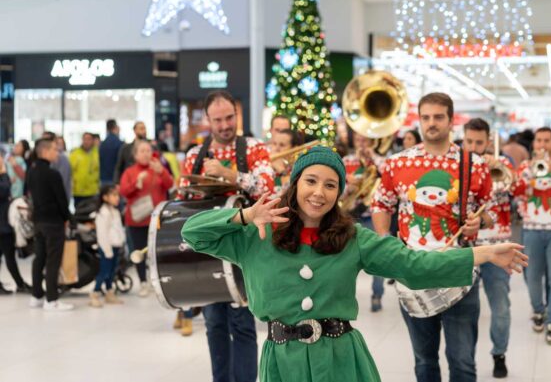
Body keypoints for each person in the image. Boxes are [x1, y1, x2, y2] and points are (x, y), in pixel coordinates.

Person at [181, 146, 527, 382]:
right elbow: (193, 233)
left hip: (342, 359)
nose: (319, 192)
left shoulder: (352, 237)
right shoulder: (255, 234)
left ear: (339, 193)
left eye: (331, 185)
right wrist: (243, 215)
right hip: (282, 363)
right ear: (295, 183)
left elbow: (415, 265)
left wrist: (484, 253)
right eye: (311, 181)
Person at [371, 93, 495, 382]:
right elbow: (381, 204)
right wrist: (385, 244)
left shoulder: (473, 164)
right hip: (413, 271)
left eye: (438, 117)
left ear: (451, 121)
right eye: (425, 117)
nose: (431, 123)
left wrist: (480, 220)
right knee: (424, 361)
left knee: (462, 362)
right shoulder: (396, 163)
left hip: (459, 269)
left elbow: (492, 210)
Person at [180, 90, 274, 382]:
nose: (224, 125)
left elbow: (267, 188)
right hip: (208, 252)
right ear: (207, 120)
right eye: (217, 120)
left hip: (243, 252)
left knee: (243, 324)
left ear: (237, 115)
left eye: (229, 118)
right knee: (214, 324)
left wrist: (227, 174)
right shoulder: (194, 155)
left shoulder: (255, 147)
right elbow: (184, 199)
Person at [512, 127, 551, 345]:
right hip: (532, 229)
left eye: (546, 141)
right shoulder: (524, 167)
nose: (542, 145)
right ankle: (539, 310)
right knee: (532, 276)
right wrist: (531, 170)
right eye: (539, 141)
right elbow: (517, 191)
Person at [463, 118, 514, 378]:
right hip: (468, 248)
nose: (473, 147)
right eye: (469, 142)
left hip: (498, 246)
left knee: (501, 306)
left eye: (479, 143)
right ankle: (465, 360)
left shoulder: (503, 164)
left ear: (488, 142)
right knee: (466, 311)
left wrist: (496, 170)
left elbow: (513, 190)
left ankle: (499, 354)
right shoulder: (458, 165)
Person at [120, 140, 173, 296]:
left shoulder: (157, 167)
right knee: (138, 251)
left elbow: (170, 185)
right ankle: (143, 282)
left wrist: (162, 171)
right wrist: (136, 183)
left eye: (148, 150)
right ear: (135, 155)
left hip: (156, 218)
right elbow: (123, 191)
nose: (146, 154)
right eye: (142, 151)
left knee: (156, 252)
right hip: (136, 220)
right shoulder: (130, 172)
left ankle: (157, 282)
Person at [25, 138, 73, 311]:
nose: (57, 152)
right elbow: (62, 200)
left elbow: (28, 194)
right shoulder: (53, 174)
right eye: (54, 149)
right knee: (53, 259)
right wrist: (67, 219)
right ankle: (51, 299)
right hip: (53, 222)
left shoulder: (31, 171)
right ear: (44, 151)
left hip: (38, 221)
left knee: (39, 258)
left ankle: (36, 295)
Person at [341, 131, 385, 312]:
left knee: (378, 259)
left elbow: (387, 175)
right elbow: (338, 190)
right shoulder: (346, 161)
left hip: (373, 215)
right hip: (350, 214)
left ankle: (377, 294)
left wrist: (372, 157)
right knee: (345, 259)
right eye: (358, 139)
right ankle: (344, 295)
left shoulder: (378, 160)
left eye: (365, 140)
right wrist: (348, 188)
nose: (361, 143)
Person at [89, 184, 126, 308]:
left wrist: (121, 241)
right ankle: (95, 293)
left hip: (115, 246)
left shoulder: (115, 211)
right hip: (107, 248)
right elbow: (102, 234)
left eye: (118, 195)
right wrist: (107, 250)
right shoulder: (103, 213)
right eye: (114, 195)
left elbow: (118, 229)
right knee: (104, 271)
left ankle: (109, 292)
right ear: (105, 197)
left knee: (111, 271)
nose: (117, 198)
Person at [0, 155, 30, 294]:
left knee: (7, 255)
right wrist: (4, 173)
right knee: (10, 256)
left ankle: (19, 283)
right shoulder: (3, 177)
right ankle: (20, 283)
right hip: (2, 226)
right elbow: (4, 190)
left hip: (4, 223)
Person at [70, 132, 100, 208]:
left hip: (93, 191)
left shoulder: (98, 153)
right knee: (79, 214)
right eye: (84, 139)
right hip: (78, 192)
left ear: (93, 140)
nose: (86, 141)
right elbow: (70, 171)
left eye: (89, 139)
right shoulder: (75, 153)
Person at [269, 128, 299, 198]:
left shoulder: (297, 168)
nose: (276, 149)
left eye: (282, 145)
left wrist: (282, 170)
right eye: (274, 143)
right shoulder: (265, 165)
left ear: (294, 148)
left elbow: (291, 194)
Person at [100, 119, 123, 186]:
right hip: (115, 179)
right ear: (116, 127)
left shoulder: (102, 144)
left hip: (103, 178)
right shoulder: (119, 143)